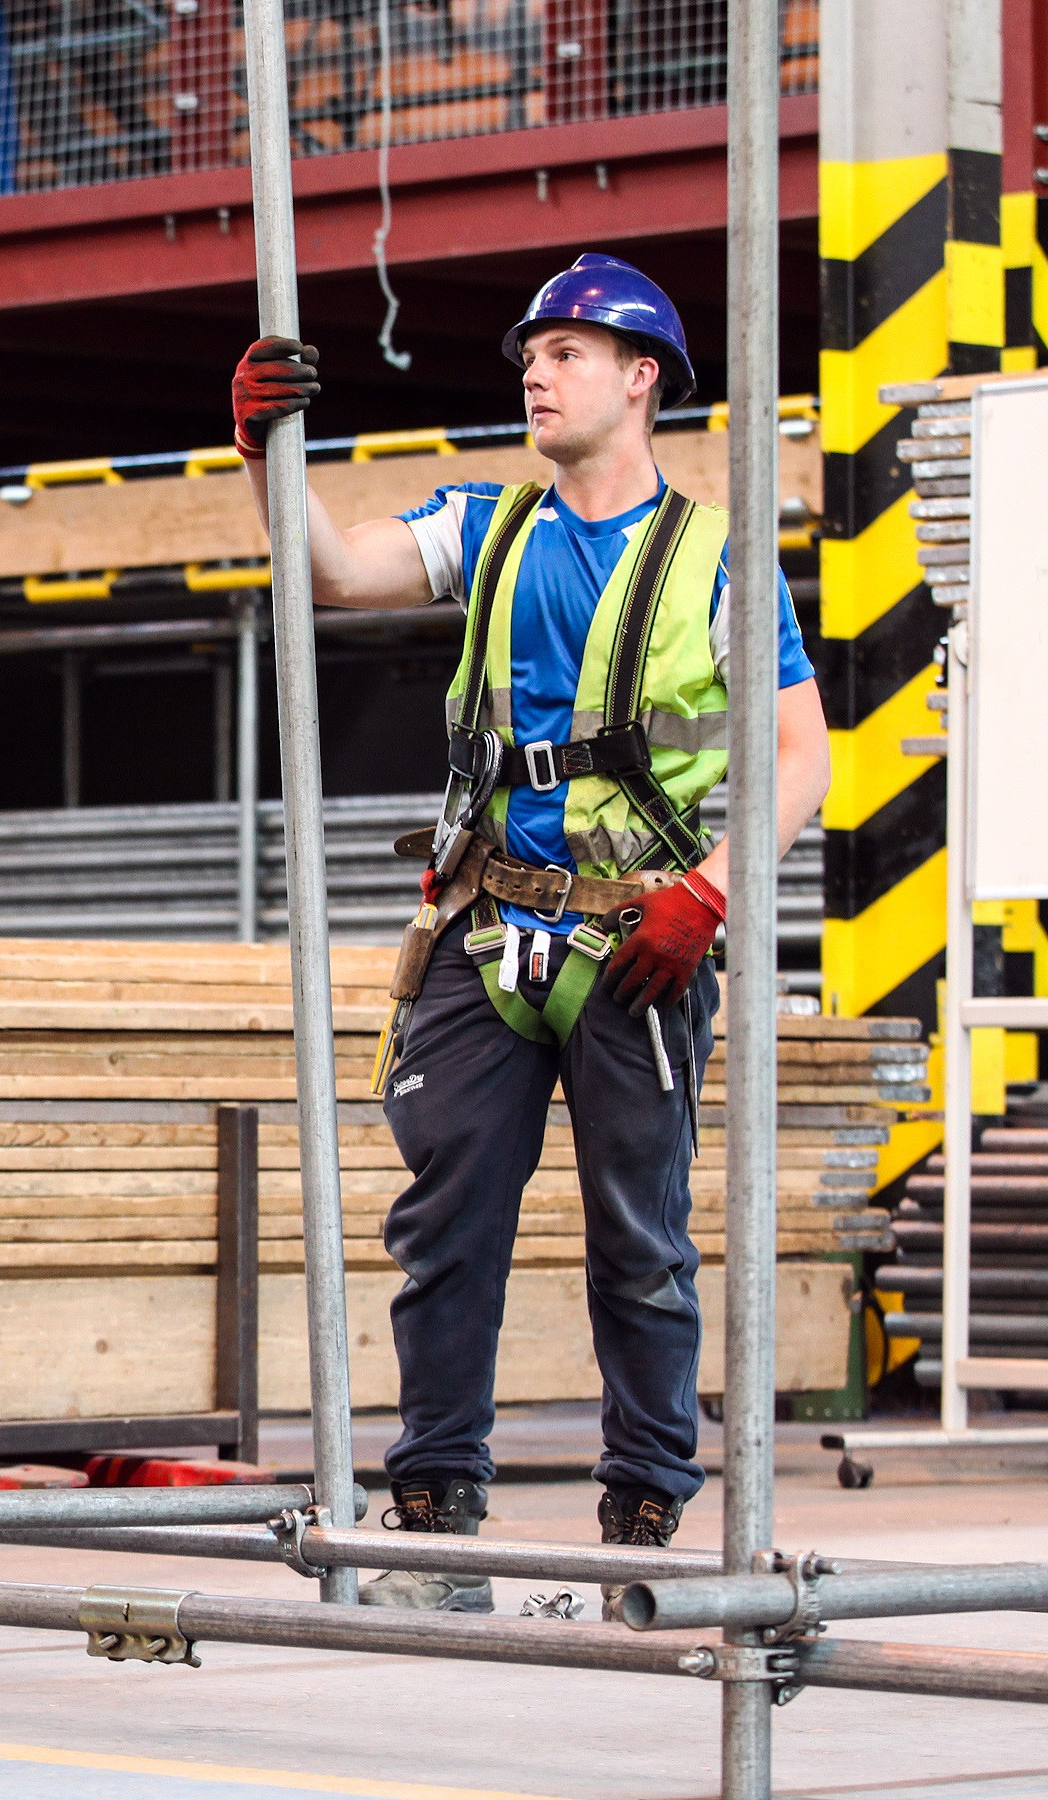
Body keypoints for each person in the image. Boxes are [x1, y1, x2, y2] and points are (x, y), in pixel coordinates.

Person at [230, 253, 832, 1612]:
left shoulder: (718, 560)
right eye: (530, 355)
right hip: (484, 926)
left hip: (641, 936)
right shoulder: (485, 528)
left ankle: (644, 1528)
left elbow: (800, 756)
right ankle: (437, 1522)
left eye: (567, 350)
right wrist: (271, 448)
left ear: (642, 379)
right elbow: (330, 567)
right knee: (444, 1223)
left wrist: (714, 893)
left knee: (642, 1237)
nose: (536, 371)